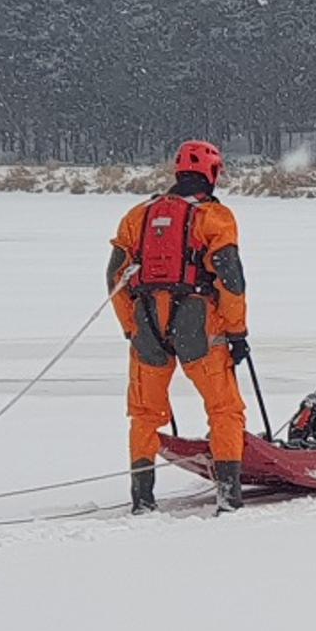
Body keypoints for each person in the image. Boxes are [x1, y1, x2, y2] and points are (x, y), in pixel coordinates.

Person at [108, 140, 250, 514]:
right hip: (197, 324)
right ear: (212, 173)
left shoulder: (137, 216)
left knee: (143, 412)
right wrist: (237, 333)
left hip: (146, 325)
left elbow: (114, 276)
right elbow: (231, 279)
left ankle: (142, 499)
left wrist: (130, 327)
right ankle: (229, 496)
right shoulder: (215, 218)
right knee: (225, 409)